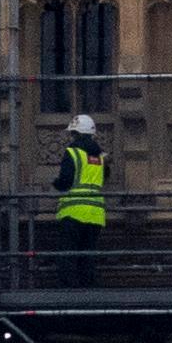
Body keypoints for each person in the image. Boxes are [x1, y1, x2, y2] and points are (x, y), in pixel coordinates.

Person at [50, 98, 109, 285]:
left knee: (68, 252)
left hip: (74, 211)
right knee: (88, 253)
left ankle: (68, 288)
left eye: (73, 133)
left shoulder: (73, 152)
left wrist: (56, 184)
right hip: (96, 213)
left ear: (76, 134)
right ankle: (88, 287)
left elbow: (65, 181)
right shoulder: (100, 157)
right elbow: (104, 177)